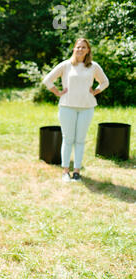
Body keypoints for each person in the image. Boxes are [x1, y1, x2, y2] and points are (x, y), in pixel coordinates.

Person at [43, 38, 109, 182]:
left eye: (83, 47)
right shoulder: (66, 65)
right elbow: (47, 80)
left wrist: (96, 91)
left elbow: (105, 82)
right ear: (74, 49)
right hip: (67, 107)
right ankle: (65, 171)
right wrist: (57, 92)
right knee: (68, 139)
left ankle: (77, 171)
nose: (80, 49)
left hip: (87, 108)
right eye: (78, 47)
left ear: (88, 50)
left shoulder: (94, 67)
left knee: (80, 140)